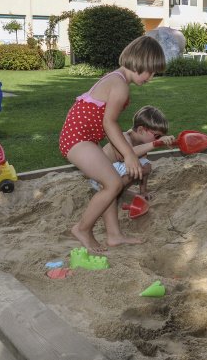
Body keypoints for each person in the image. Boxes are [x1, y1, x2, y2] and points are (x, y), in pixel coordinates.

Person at [59, 35, 166, 252]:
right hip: (77, 139)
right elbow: (110, 123)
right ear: (140, 63)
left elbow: (107, 125)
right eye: (151, 71)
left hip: (85, 138)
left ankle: (114, 235)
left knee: (110, 182)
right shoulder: (120, 86)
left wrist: (124, 152)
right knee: (114, 184)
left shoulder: (117, 79)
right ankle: (82, 228)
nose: (151, 77)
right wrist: (128, 155)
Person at [92, 105, 176, 201]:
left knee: (145, 165)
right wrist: (154, 143)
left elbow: (144, 168)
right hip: (100, 178)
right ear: (140, 130)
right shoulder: (124, 137)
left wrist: (143, 191)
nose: (159, 139)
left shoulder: (142, 144)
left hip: (112, 177)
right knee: (140, 165)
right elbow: (129, 154)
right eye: (157, 136)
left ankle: (120, 192)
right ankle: (111, 192)